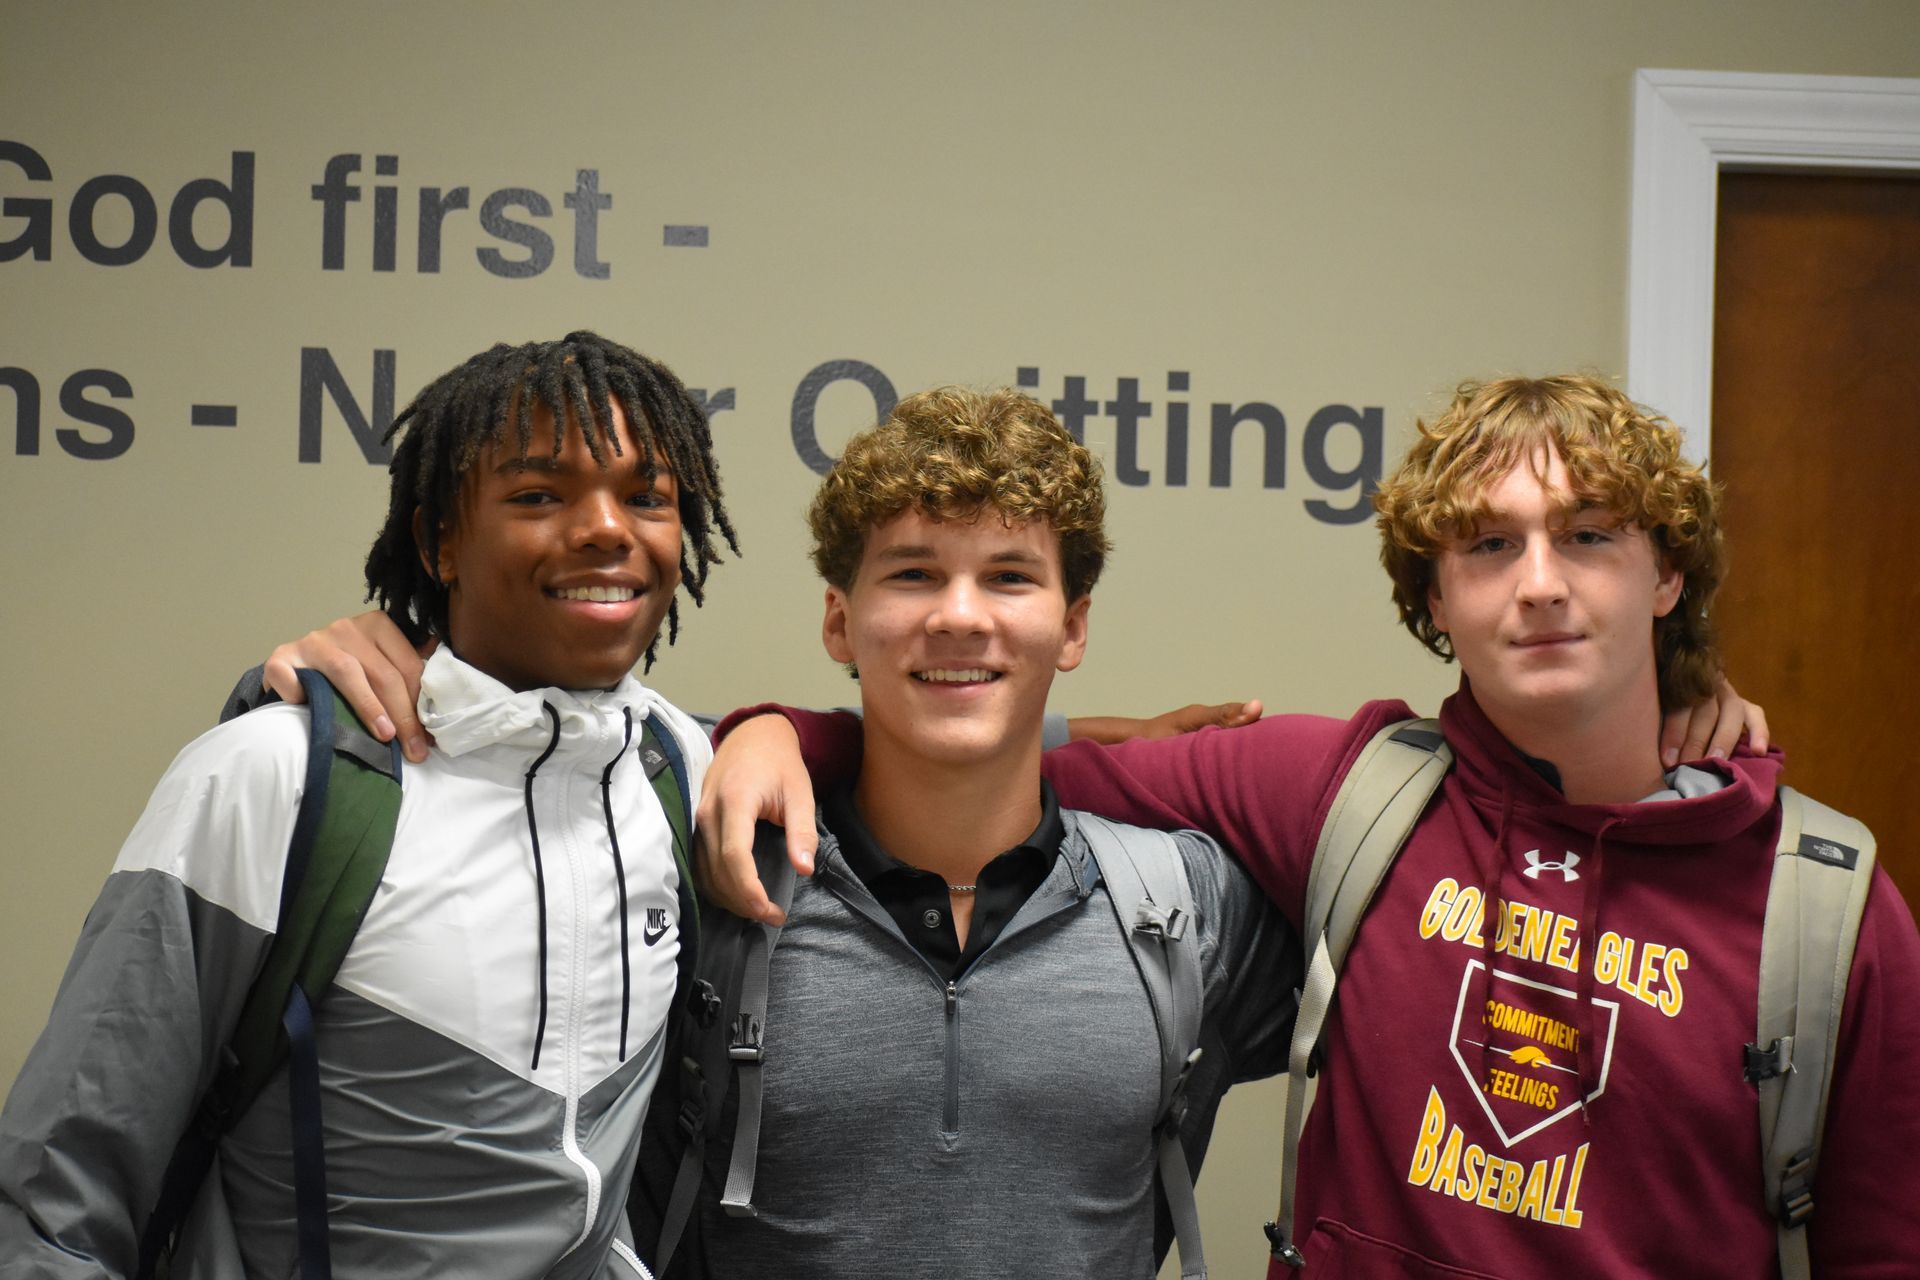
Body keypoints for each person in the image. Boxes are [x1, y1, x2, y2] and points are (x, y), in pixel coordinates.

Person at [714, 373, 1920, 1277]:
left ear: (1669, 575)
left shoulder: (1826, 907)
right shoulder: (1343, 790)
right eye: (1489, 545)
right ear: (1434, 597)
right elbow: (984, 752)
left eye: (1592, 533)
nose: (1543, 581)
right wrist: (769, 735)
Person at [0, 332, 736, 1278]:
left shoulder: (683, 767)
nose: (606, 529)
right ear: (439, 541)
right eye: (538, 495)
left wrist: (781, 733)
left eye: (647, 497)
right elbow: (61, 1195)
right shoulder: (270, 776)